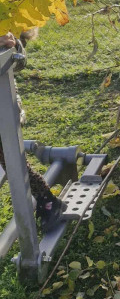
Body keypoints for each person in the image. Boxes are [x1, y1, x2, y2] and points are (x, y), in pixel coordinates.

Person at [0, 30, 63, 232]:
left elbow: (18, 61)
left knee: (13, 164)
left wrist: (12, 46)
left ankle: (48, 201)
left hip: (3, 113)